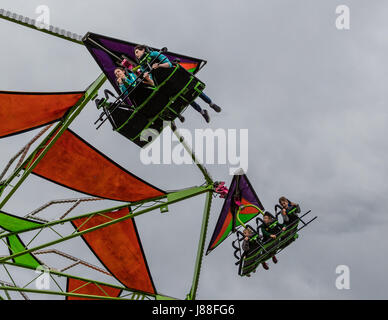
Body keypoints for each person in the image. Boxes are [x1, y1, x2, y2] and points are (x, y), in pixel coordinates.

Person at [134, 45, 222, 123]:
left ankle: (211, 104)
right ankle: (202, 112)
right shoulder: (142, 65)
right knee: (188, 98)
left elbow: (169, 64)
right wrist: (147, 77)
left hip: (174, 76)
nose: (136, 54)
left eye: (137, 52)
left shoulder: (154, 54)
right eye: (135, 54)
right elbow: (153, 82)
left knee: (195, 90)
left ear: (143, 50)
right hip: (167, 83)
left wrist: (159, 66)